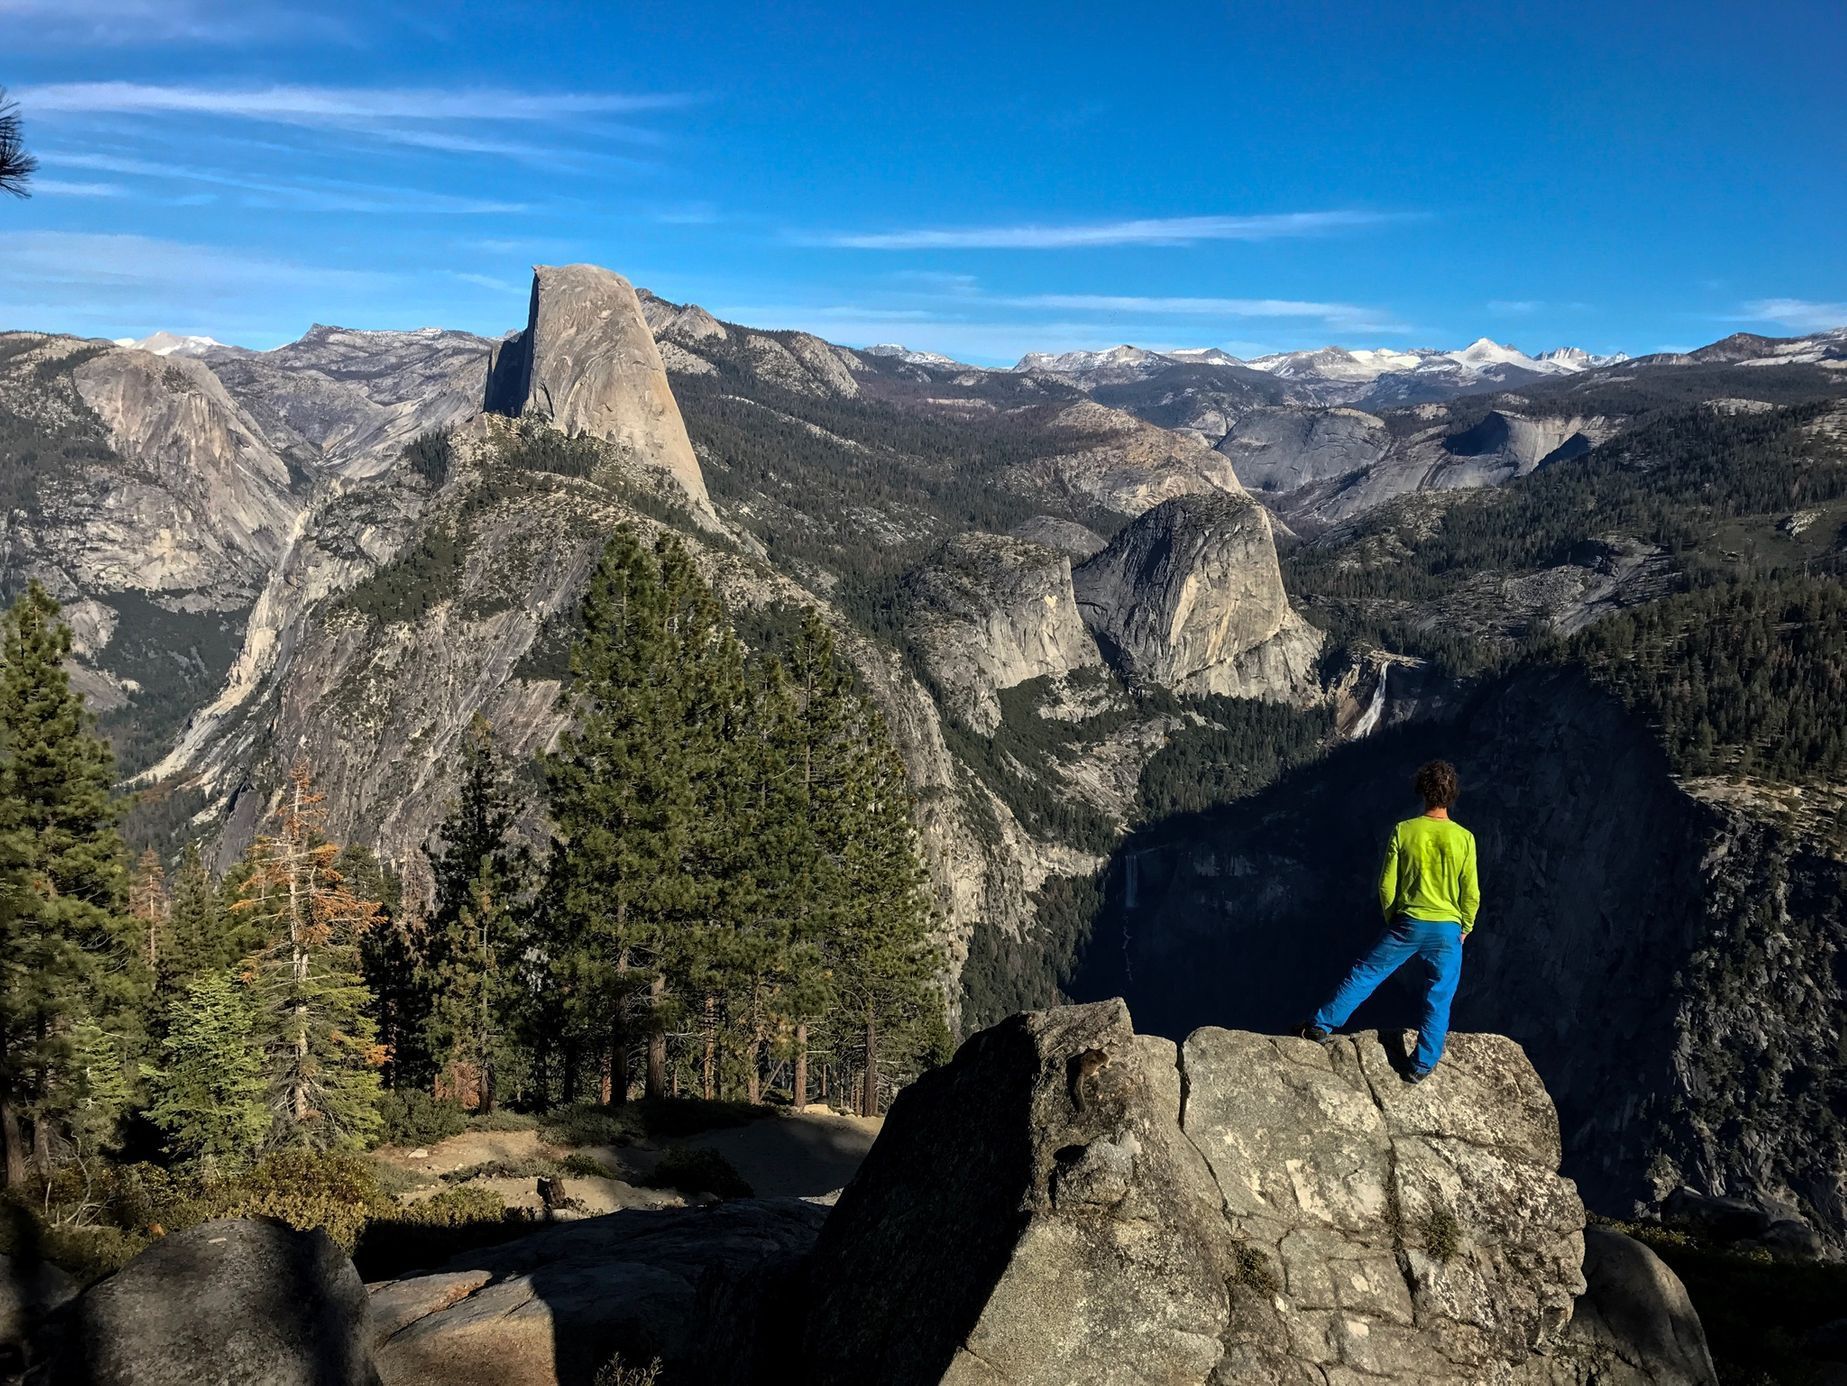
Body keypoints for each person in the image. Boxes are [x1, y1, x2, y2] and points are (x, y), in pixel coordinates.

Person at [1297, 759, 1480, 1083]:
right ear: (1453, 795)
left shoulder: (1404, 830)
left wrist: (1393, 916)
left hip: (1408, 922)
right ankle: (1421, 1065)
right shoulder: (1464, 838)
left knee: (1366, 972)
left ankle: (1320, 1025)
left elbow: (1386, 884)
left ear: (1422, 791)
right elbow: (1471, 892)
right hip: (1448, 928)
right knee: (1439, 995)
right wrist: (1465, 927)